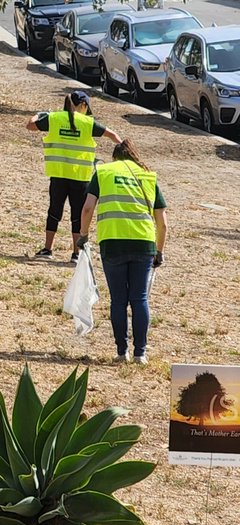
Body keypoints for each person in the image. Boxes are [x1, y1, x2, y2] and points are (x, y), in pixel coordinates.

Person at [79, 139, 168, 365]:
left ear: (115, 157)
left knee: (118, 299)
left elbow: (87, 208)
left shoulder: (104, 172)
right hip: (143, 243)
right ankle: (140, 353)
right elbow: (163, 224)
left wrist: (83, 235)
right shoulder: (148, 176)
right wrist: (159, 251)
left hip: (113, 242)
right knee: (140, 298)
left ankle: (122, 351)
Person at [26, 90, 123, 263]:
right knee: (77, 214)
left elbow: (30, 125)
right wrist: (125, 154)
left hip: (58, 173)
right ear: (83, 105)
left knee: (54, 211)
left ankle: (47, 249)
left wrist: (40, 115)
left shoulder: (54, 118)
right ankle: (76, 253)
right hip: (80, 176)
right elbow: (113, 135)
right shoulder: (88, 122)